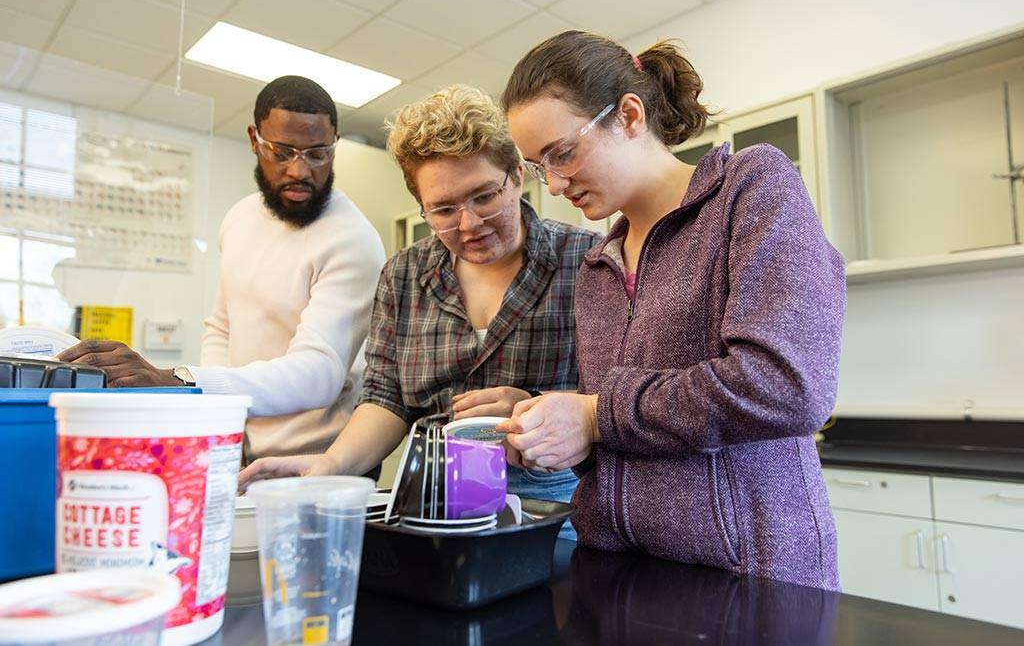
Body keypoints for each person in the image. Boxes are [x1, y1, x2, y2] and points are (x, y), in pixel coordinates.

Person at [499, 31, 845, 589]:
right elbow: (621, 430)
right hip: (617, 572)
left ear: (630, 116)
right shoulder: (596, 267)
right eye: (541, 167)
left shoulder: (750, 189)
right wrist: (552, 428)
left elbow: (787, 385)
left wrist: (594, 415)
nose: (556, 184)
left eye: (563, 152)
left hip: (748, 580)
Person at [239, 85, 601, 535]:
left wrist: (539, 407)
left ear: (517, 174)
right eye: (444, 209)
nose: (469, 224)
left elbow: (612, 404)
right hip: (432, 495)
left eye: (485, 196)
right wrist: (330, 464)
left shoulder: (588, 261)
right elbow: (386, 400)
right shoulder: (405, 275)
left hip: (551, 504)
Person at [59, 76, 386, 463]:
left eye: (317, 154)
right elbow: (222, 326)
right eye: (282, 152)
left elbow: (319, 375)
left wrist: (179, 379)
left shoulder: (352, 239)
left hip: (317, 459)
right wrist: (215, 413)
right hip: (236, 446)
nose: (300, 170)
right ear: (254, 140)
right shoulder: (239, 218)